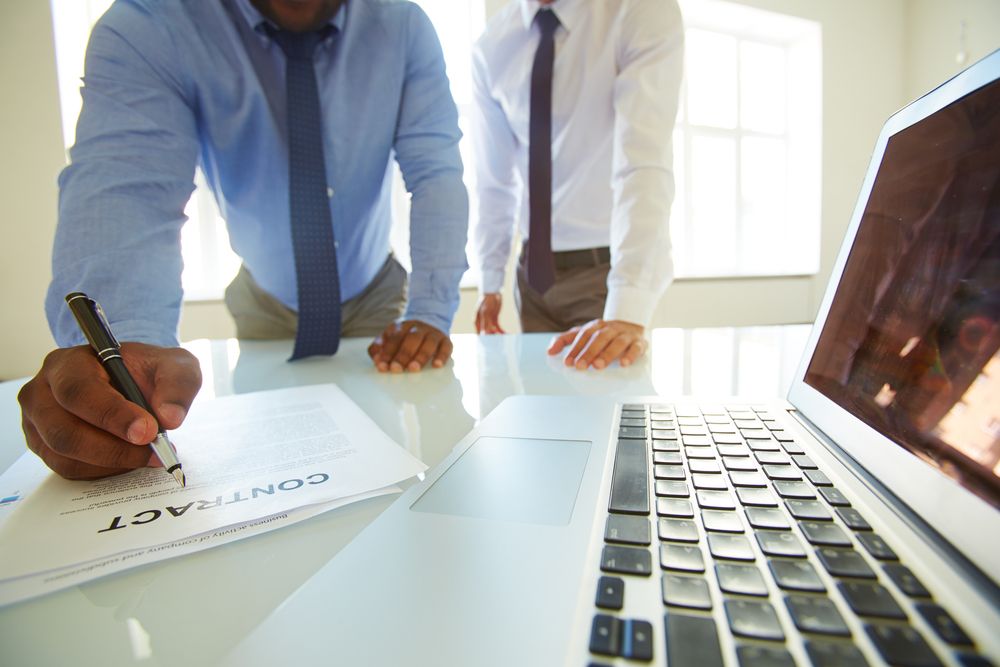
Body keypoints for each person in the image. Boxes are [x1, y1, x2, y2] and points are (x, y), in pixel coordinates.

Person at [17, 0, 468, 480]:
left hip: (379, 300)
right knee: (283, 456)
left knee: (383, 449)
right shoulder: (154, 24)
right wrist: (121, 356)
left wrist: (429, 311)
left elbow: (436, 173)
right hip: (262, 303)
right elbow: (130, 187)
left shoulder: (403, 25)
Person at [470, 0, 683, 370]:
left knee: (611, 418)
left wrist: (627, 308)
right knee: (540, 420)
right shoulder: (491, 45)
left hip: (604, 276)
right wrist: (490, 280)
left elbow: (644, 161)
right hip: (531, 281)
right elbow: (495, 181)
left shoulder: (638, 9)